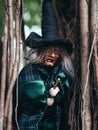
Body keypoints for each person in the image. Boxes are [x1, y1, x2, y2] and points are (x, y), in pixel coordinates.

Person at [12, 0, 74, 130]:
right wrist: (46, 96)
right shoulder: (30, 70)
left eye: (57, 51)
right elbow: (29, 91)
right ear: (40, 51)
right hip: (31, 125)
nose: (53, 55)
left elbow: (64, 87)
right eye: (49, 50)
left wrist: (59, 90)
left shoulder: (59, 70)